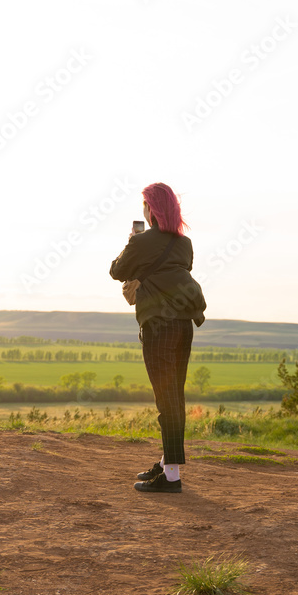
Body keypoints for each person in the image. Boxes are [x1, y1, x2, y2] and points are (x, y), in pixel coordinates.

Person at [109, 182, 206, 493]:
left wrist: (132, 243)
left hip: (158, 325)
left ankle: (172, 476)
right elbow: (175, 269)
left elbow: (117, 271)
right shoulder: (185, 243)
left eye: (145, 205)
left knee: (167, 400)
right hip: (184, 325)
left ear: (151, 209)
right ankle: (167, 463)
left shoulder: (142, 242)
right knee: (175, 395)